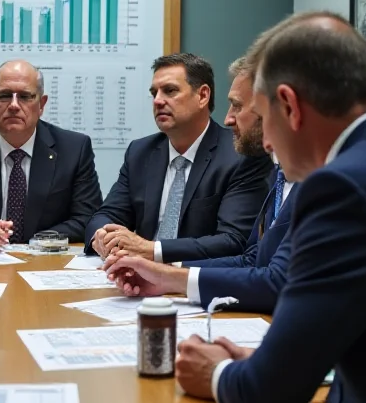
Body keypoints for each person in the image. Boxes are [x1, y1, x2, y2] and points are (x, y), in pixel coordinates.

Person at [174, 11, 366, 403]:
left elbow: (267, 401)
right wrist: (275, 356)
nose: (263, 141)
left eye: (262, 118)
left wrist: (218, 372)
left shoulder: (339, 191)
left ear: (290, 105)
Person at [104, 57, 297, 313]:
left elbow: (273, 278)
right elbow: (252, 260)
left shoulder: (309, 177)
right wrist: (163, 275)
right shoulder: (281, 173)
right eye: (154, 93)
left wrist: (157, 259)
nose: (228, 119)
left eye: (237, 106)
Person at [85, 53, 272, 263]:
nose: (157, 101)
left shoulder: (240, 154)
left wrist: (151, 249)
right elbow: (106, 214)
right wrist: (103, 236)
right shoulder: (141, 152)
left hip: (194, 282)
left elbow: (233, 240)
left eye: (170, 91)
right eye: (154, 93)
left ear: (202, 96)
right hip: (134, 277)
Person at [0, 59, 102, 248]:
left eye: (24, 96)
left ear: (41, 104)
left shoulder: (74, 149)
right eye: (5, 96)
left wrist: (38, 241)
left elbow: (88, 217)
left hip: (47, 261)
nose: (14, 105)